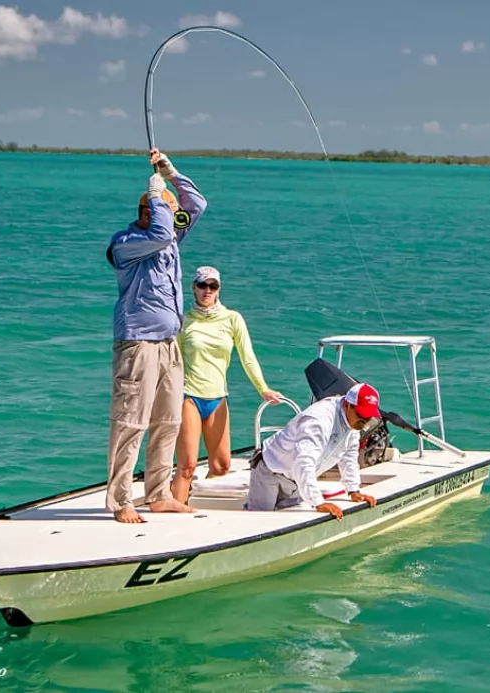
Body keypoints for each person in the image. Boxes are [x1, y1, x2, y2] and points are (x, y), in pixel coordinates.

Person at [105, 148, 208, 523]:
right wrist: (155, 188)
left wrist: (170, 172)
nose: (171, 215)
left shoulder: (167, 237)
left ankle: (159, 493)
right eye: (161, 206)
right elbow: (165, 230)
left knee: (168, 421)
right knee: (131, 421)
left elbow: (196, 205)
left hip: (168, 344)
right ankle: (120, 501)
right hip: (139, 343)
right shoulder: (127, 242)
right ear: (147, 210)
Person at [171, 265, 282, 503]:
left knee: (221, 466)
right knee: (187, 466)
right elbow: (173, 362)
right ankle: (173, 509)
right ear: (193, 288)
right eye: (202, 285)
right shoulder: (183, 321)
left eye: (213, 286)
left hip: (217, 398)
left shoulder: (232, 319)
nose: (207, 290)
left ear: (219, 289)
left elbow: (247, 357)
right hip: (188, 397)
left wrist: (263, 388)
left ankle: (200, 502)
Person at [245, 382, 380, 518]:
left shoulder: (353, 425)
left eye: (368, 417)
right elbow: (303, 462)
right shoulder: (319, 420)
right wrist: (318, 502)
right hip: (271, 470)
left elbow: (349, 456)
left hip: (297, 480)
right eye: (361, 415)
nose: (365, 421)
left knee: (292, 522)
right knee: (259, 519)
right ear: (346, 405)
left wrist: (353, 490)